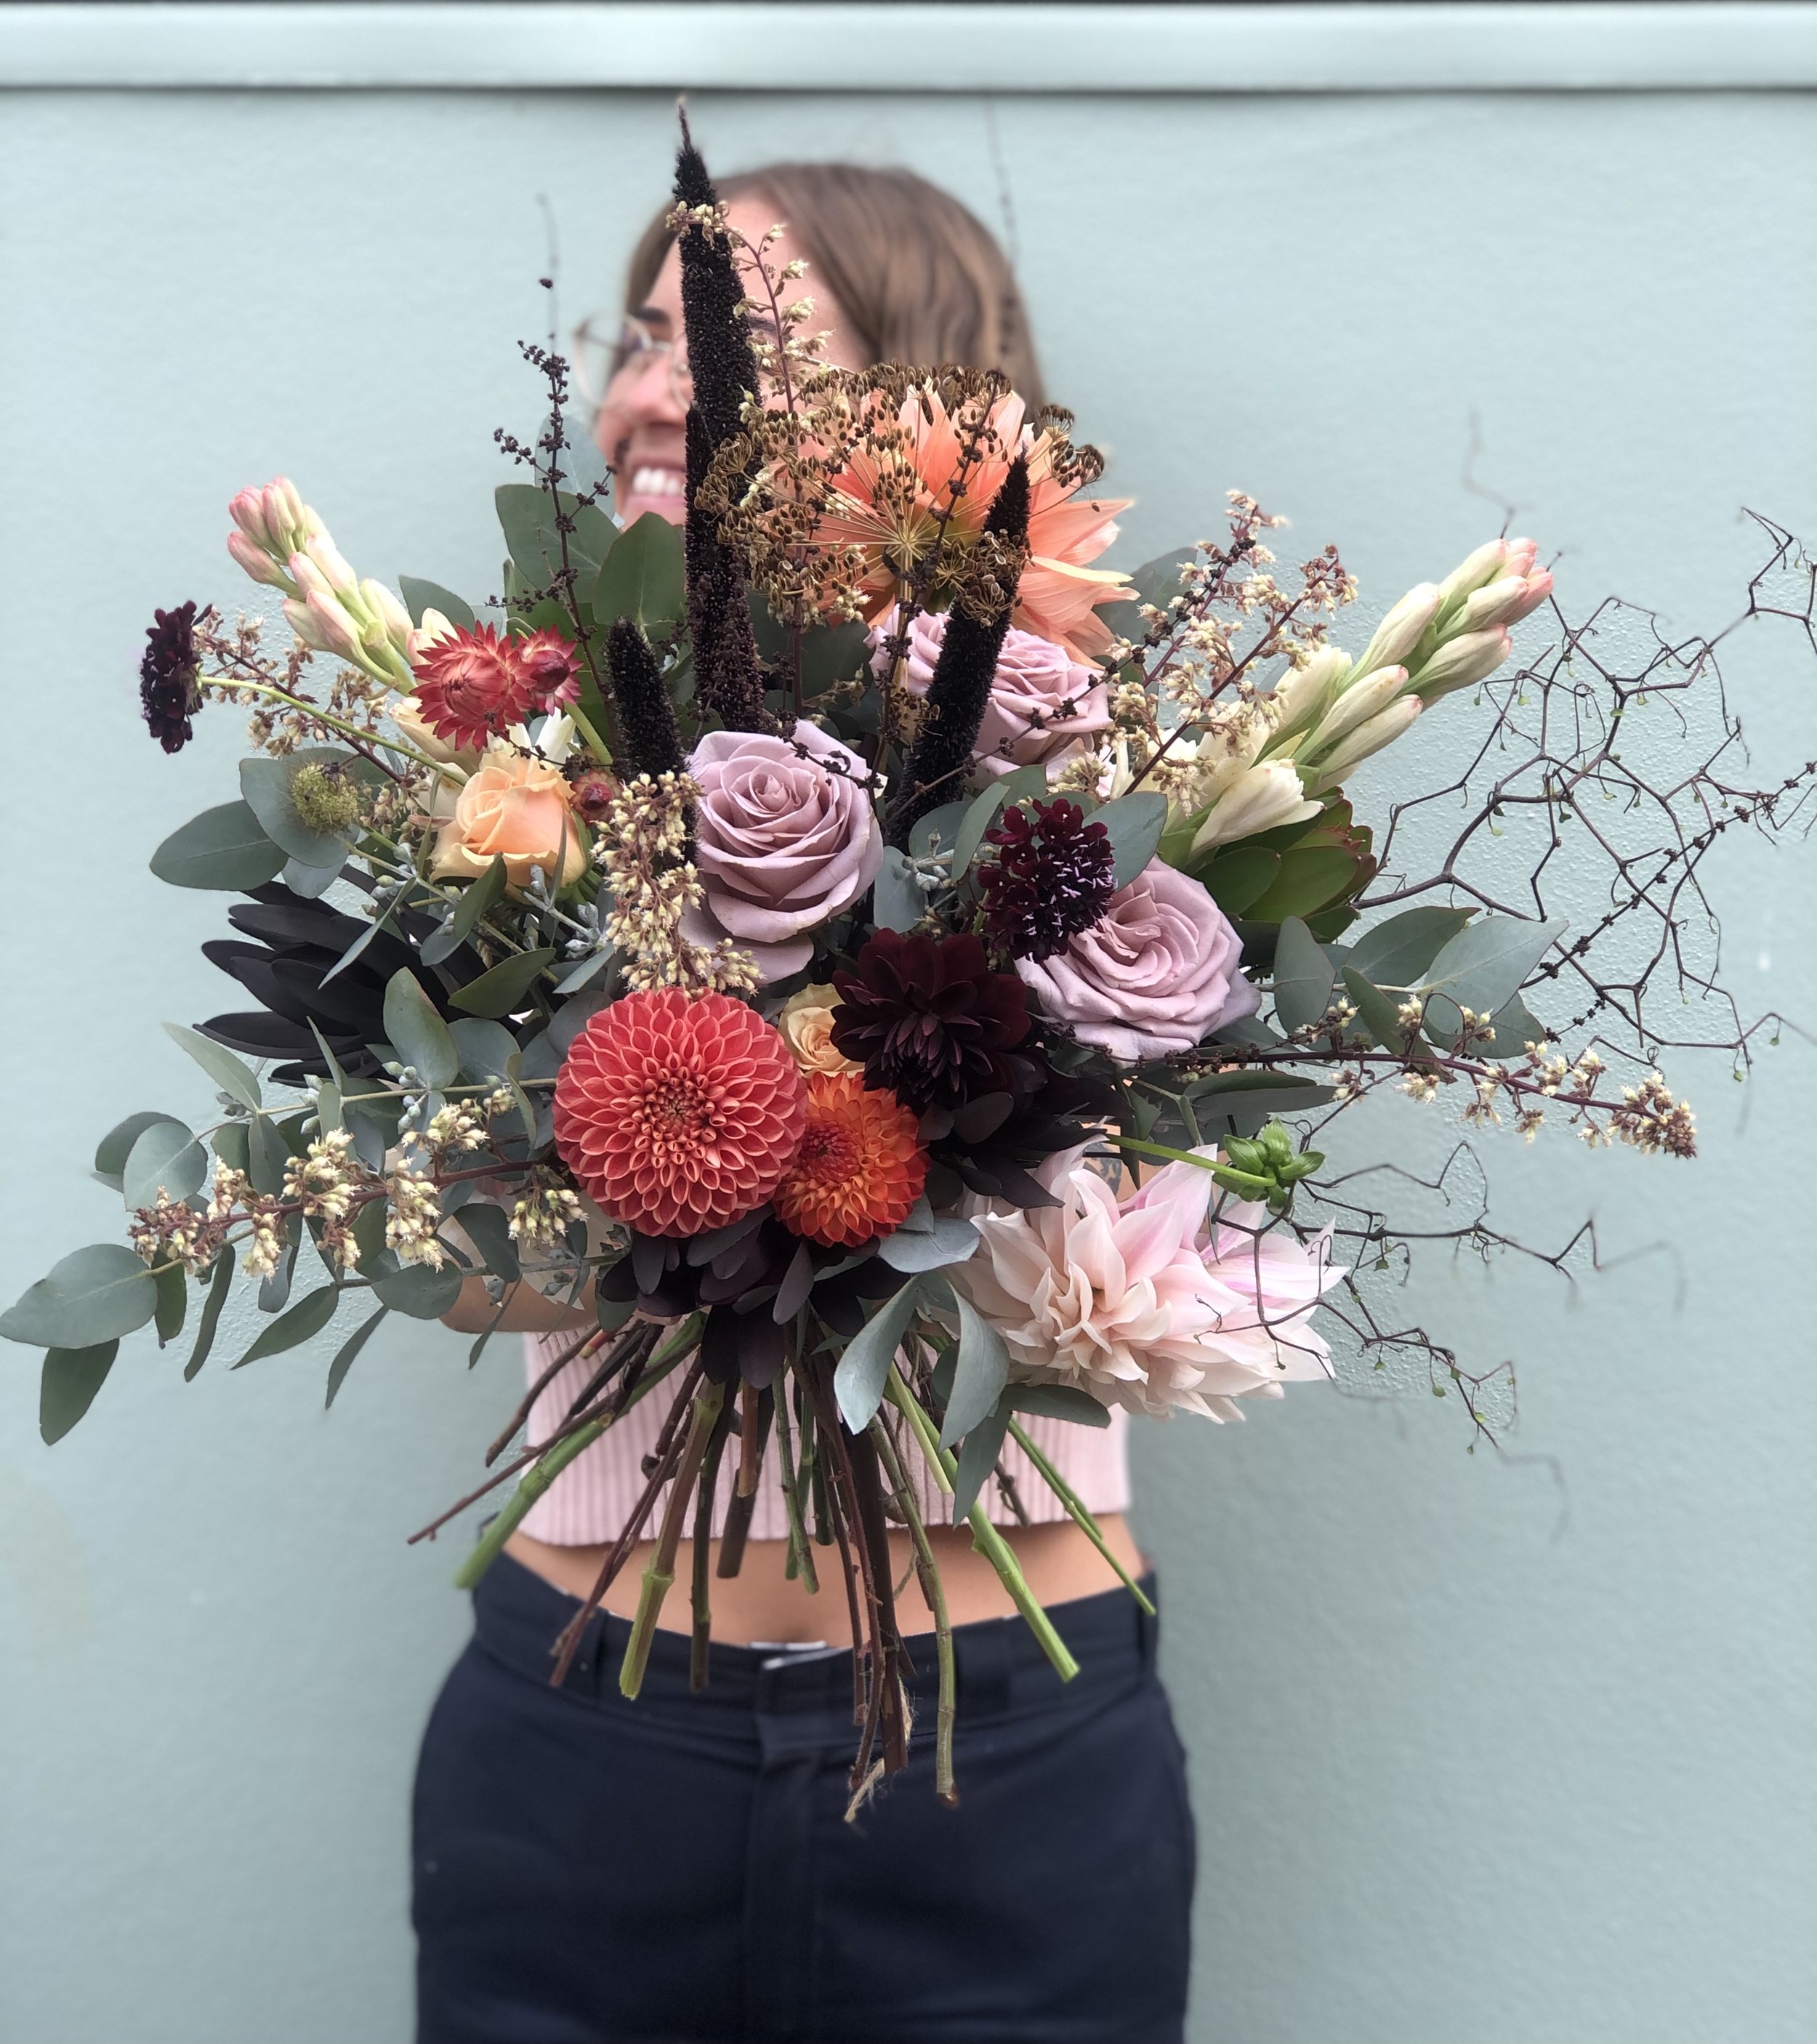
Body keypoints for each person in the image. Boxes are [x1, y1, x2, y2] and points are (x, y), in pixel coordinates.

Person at [411, 161, 1195, 2044]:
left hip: (993, 1750)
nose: (649, 391)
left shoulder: (1107, 800)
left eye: (726, 342)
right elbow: (453, 1270)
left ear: (923, 406)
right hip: (584, 1755)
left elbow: (1113, 1284)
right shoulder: (514, 774)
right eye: (637, 340)